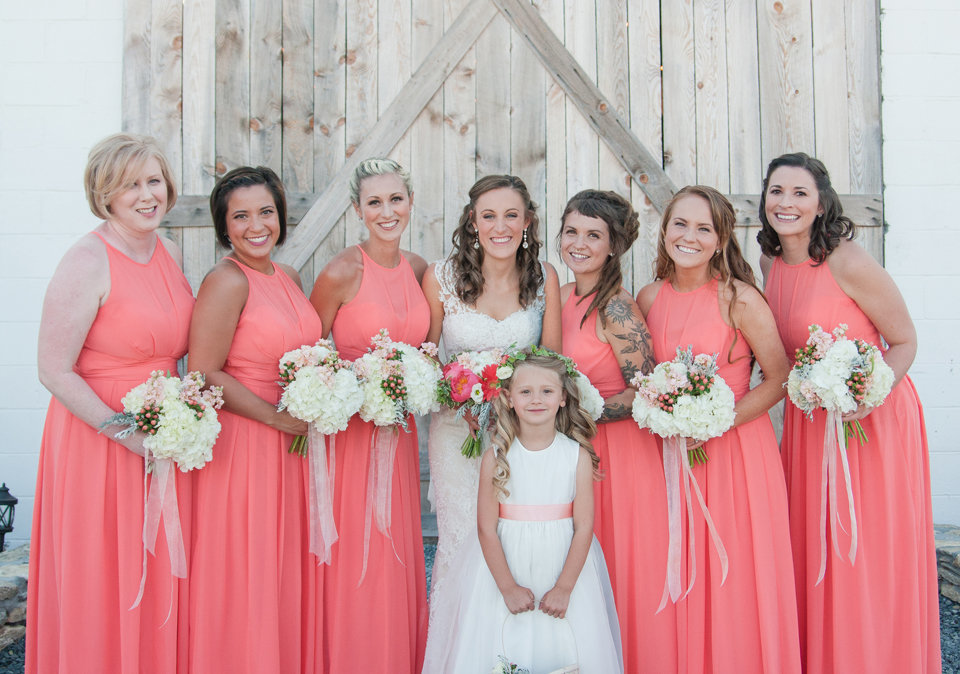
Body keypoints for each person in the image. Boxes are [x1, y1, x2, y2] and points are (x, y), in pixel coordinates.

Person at [759, 153, 940, 673]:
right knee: (819, 549)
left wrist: (865, 395)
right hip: (811, 422)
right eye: (777, 192)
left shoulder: (847, 260)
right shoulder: (773, 265)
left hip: (870, 421)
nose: (786, 203)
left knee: (866, 552)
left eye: (799, 193)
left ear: (820, 203)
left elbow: (903, 342)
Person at [27, 133, 194, 673]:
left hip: (160, 435)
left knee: (156, 570)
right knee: (103, 575)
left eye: (153, 181)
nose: (146, 195)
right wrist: (129, 434)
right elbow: (53, 369)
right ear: (104, 195)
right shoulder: (86, 260)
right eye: (130, 186)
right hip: (99, 443)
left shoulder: (166, 250)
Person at [636, 185, 801, 672]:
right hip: (669, 453)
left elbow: (780, 377)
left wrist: (715, 423)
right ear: (665, 229)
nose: (689, 236)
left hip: (735, 453)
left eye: (704, 228)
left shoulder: (739, 298)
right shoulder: (649, 297)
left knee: (733, 573)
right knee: (677, 564)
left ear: (721, 238)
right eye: (680, 224)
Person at [187, 166, 319, 674]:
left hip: (290, 438)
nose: (256, 225)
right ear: (224, 227)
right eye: (240, 216)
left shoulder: (286, 276)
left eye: (265, 212)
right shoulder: (225, 280)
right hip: (247, 440)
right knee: (248, 565)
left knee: (282, 566)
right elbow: (203, 370)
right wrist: (275, 419)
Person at [423, 348, 622, 673]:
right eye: (525, 391)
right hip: (505, 568)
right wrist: (507, 587)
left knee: (566, 646)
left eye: (546, 391)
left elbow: (584, 526)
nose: (536, 399)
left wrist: (564, 588)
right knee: (500, 645)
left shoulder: (576, 456)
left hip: (562, 567)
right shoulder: (496, 457)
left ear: (562, 398)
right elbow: (486, 528)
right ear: (509, 398)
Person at [421, 174, 562, 617]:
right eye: (488, 216)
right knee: (463, 535)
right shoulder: (440, 277)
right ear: (472, 222)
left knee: (516, 539)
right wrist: (456, 396)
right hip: (456, 432)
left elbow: (553, 364)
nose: (500, 226)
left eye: (511, 215)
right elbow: (426, 360)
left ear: (528, 222)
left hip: (520, 435)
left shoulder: (543, 279)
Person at [308, 158, 428, 673]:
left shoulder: (421, 268)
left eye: (395, 200)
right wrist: (355, 388)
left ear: (410, 204)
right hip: (352, 435)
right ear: (358, 210)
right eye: (374, 202)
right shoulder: (341, 271)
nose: (387, 211)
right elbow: (310, 356)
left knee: (395, 547)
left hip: (399, 431)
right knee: (357, 548)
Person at [557, 189, 677, 671]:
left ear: (614, 245)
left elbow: (642, 391)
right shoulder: (564, 296)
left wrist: (580, 414)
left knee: (621, 566)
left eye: (593, 235)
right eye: (571, 232)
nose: (579, 243)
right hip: (574, 451)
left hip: (619, 456)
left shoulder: (618, 309)